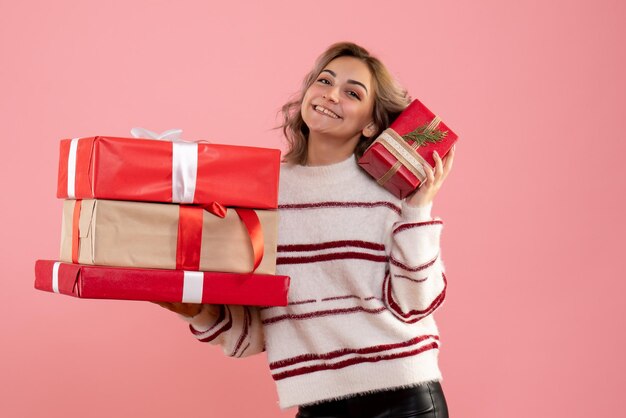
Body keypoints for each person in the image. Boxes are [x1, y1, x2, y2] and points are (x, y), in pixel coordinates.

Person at [156, 41, 455, 418]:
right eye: (324, 80)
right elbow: (251, 336)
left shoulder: (392, 192)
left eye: (351, 92)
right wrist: (192, 308)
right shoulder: (261, 192)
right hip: (318, 403)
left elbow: (416, 305)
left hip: (403, 400)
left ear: (371, 124)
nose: (330, 95)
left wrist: (418, 208)